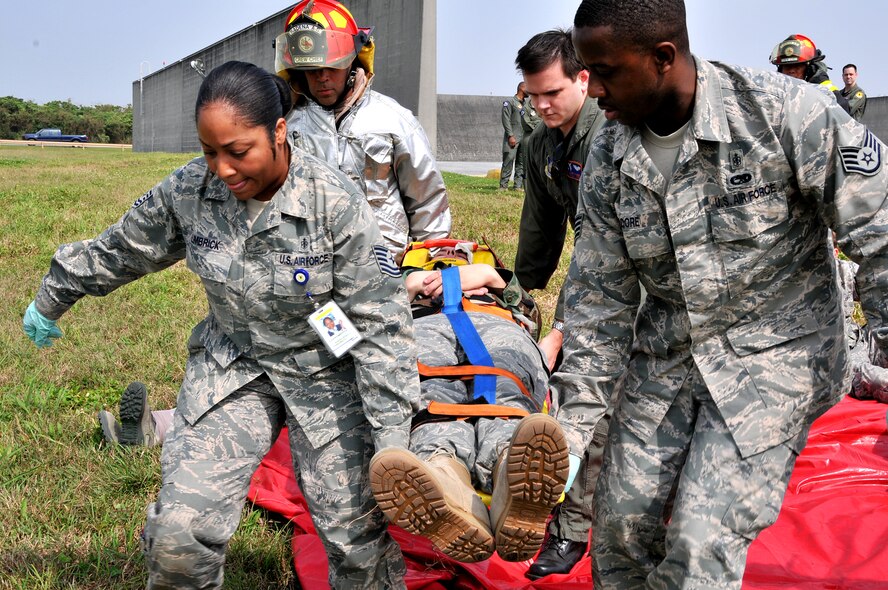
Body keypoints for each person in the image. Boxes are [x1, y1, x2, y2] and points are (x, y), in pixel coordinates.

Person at [23, 61, 420, 589]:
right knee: (178, 532)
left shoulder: (335, 203)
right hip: (233, 365)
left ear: (279, 131)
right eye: (211, 151)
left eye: (238, 152)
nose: (223, 170)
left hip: (327, 370)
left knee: (357, 542)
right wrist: (55, 294)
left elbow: (380, 328)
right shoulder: (192, 190)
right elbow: (123, 247)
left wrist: (392, 442)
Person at [567, 0, 888, 587]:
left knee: (699, 542)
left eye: (606, 71)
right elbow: (598, 305)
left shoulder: (785, 114)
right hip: (666, 361)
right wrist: (568, 436)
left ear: (662, 58)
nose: (594, 92)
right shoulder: (611, 153)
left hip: (776, 357)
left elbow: (882, 231)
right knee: (618, 533)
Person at [370, 259, 568, 565]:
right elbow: (366, 311)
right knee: (431, 389)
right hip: (423, 323)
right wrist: (406, 288)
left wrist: (491, 277)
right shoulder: (397, 276)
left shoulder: (492, 276)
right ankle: (446, 476)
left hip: (497, 323)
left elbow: (529, 313)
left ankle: (508, 470)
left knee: (506, 384)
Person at [511, 29, 607, 580]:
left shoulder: (610, 137)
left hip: (642, 280)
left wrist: (565, 326)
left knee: (588, 399)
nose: (542, 105)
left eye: (552, 92)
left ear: (583, 79)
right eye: (533, 95)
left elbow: (604, 250)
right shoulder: (542, 146)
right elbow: (540, 235)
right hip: (599, 275)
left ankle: (571, 531)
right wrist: (514, 302)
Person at [274, 0, 451, 261]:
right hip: (311, 269)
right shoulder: (286, 128)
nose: (322, 77)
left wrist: (436, 264)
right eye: (311, 69)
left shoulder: (393, 121)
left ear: (352, 59)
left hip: (384, 270)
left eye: (332, 65)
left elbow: (427, 202)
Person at [769, 34, 852, 114]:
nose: (791, 71)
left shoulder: (823, 87)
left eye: (797, 66)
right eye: (787, 66)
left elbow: (843, 111)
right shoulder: (774, 88)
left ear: (808, 68)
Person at [500, 82, 530, 190]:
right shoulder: (510, 102)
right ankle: (503, 185)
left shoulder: (526, 105)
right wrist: (510, 135)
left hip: (523, 138)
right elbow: (505, 119)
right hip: (513, 137)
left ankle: (517, 186)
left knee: (521, 162)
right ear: (522, 88)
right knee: (509, 159)